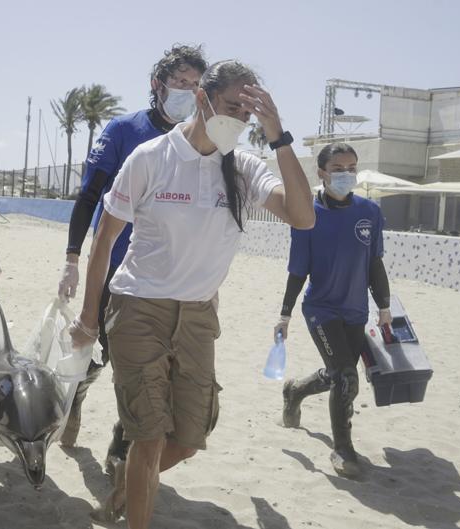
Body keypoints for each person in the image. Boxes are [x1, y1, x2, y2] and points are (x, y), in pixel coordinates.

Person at [69, 61, 315, 528]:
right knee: (148, 436)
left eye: (249, 113)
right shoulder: (150, 157)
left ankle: (126, 481)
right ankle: (134, 497)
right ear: (203, 100)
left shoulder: (242, 167)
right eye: (231, 107)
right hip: (139, 309)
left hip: (200, 316)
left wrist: (278, 136)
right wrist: (87, 318)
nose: (240, 120)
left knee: (189, 437)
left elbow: (303, 217)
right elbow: (104, 238)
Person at [56, 45, 207, 472]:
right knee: (98, 356)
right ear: (158, 85)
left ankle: (122, 450)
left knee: (149, 374)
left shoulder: (201, 141)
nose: (189, 91)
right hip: (115, 274)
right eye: (181, 82)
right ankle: (79, 395)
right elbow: (89, 196)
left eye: (196, 85)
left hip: (167, 281)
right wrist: (72, 257)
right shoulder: (125, 130)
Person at [276, 142, 392, 479]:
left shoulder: (370, 212)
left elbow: (374, 263)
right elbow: (297, 271)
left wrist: (384, 306)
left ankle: (295, 390)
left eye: (352, 168)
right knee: (345, 376)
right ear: (322, 172)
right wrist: (284, 315)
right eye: (339, 169)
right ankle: (343, 450)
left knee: (339, 375)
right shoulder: (307, 216)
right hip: (321, 310)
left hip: (356, 310)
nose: (347, 174)